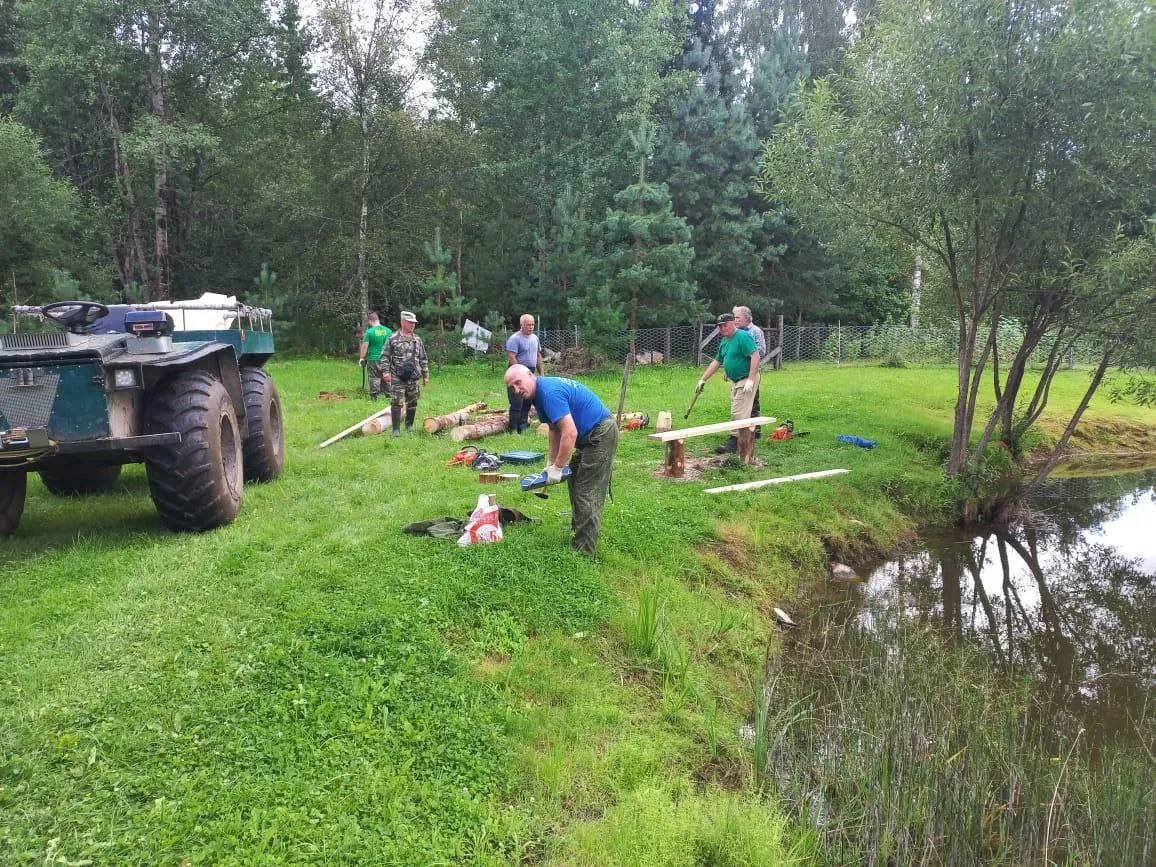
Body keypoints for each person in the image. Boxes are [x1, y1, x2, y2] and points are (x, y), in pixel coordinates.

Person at [504, 364, 618, 557]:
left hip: (600, 433)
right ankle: (579, 530)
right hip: (589, 436)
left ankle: (584, 552)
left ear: (530, 375)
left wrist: (558, 467)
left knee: (586, 492)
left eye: (518, 383)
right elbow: (553, 429)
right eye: (511, 387)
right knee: (574, 481)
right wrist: (551, 461)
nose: (516, 390)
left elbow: (570, 432)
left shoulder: (549, 393)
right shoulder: (538, 395)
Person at [694, 312, 760, 454]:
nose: (722, 329)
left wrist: (751, 378)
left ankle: (734, 443)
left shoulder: (743, 336)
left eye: (724, 326)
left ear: (732, 324)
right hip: (735, 381)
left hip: (745, 379)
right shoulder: (725, 341)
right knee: (738, 410)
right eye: (720, 326)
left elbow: (755, 355)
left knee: (739, 411)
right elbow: (717, 361)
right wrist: (703, 379)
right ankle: (742, 439)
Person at [383, 311, 429, 436]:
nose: (413, 325)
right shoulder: (393, 338)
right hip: (397, 376)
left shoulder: (417, 339)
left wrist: (425, 375)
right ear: (403, 322)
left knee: (413, 401)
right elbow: (385, 356)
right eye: (410, 323)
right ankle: (396, 430)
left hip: (413, 377)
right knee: (397, 402)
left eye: (414, 323)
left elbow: (423, 358)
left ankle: (409, 426)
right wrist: (386, 372)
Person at [732, 305, 766, 446]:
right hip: (738, 374)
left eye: (737, 317)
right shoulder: (735, 332)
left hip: (751, 373)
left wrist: (745, 356)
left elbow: (761, 351)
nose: (735, 320)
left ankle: (755, 430)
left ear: (747, 318)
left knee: (753, 401)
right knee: (738, 401)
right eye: (734, 318)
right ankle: (741, 429)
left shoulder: (755, 331)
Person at [505, 314, 544, 433]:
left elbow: (538, 356)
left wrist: (541, 372)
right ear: (522, 325)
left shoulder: (535, 338)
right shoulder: (515, 338)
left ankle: (523, 426)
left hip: (530, 372)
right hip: (517, 372)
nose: (531, 327)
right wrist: (519, 372)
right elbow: (511, 356)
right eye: (528, 325)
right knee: (517, 401)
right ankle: (513, 429)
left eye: (533, 324)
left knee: (527, 401)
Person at [359, 312, 393, 401]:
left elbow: (365, 346)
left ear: (370, 321)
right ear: (378, 320)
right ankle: (388, 396)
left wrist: (362, 358)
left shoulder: (369, 332)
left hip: (373, 358)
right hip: (387, 359)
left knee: (374, 377)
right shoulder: (389, 331)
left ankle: (375, 397)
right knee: (386, 376)